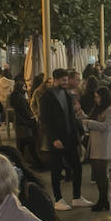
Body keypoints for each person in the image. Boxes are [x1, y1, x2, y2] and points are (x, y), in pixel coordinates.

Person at [41, 68, 91, 211]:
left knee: (77, 166)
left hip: (70, 137)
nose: (65, 82)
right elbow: (45, 120)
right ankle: (58, 198)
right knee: (56, 169)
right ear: (55, 80)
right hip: (57, 139)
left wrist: (79, 131)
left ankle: (76, 196)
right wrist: (53, 138)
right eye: (63, 80)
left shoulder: (66, 93)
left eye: (66, 80)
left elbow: (71, 116)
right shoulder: (47, 96)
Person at [82, 86, 111, 212]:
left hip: (103, 145)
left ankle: (104, 200)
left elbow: (107, 126)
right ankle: (102, 200)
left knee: (102, 175)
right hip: (95, 145)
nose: (96, 99)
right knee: (97, 175)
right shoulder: (98, 109)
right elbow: (91, 120)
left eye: (98, 97)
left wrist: (89, 123)